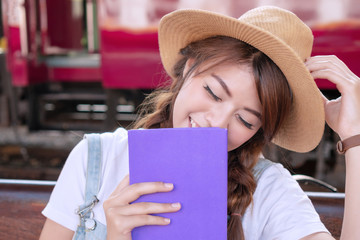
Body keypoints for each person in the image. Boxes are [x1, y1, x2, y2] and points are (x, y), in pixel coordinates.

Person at [39, 6, 360, 240]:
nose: (217, 124)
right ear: (189, 66)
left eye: (246, 120)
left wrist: (355, 137)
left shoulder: (267, 188)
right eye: (213, 92)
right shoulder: (96, 158)